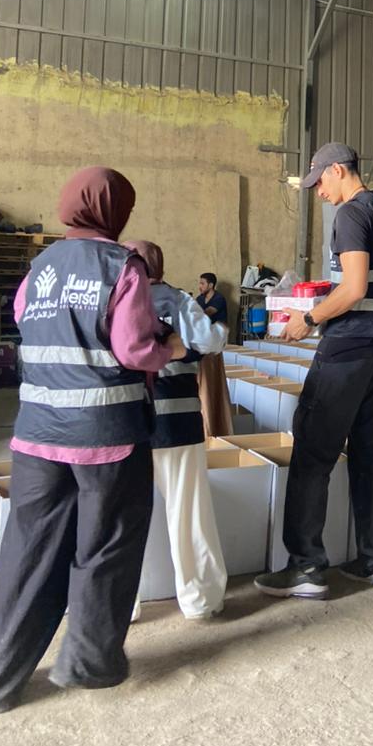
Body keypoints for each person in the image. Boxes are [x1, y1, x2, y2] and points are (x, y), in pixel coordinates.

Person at [0, 167, 185, 716]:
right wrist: (171, 349)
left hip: (37, 436)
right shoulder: (122, 266)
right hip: (107, 437)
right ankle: (88, 662)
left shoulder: (39, 267)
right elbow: (134, 349)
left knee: (27, 554)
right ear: (116, 212)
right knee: (106, 546)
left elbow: (25, 321)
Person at [254, 143, 373, 600]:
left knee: (312, 454)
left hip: (346, 352)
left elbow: (354, 287)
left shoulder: (351, 214)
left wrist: (310, 317)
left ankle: (306, 566)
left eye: (319, 181)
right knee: (369, 454)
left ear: (338, 170)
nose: (318, 192)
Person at [126, 241, 229, 621]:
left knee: (121, 517)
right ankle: (199, 600)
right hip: (177, 422)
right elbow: (211, 341)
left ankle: (122, 604)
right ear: (161, 267)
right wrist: (205, 337)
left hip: (125, 425)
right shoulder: (176, 299)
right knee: (189, 512)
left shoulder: (113, 300)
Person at [195, 272, 230, 437]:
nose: (200, 286)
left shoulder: (218, 299)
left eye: (202, 283)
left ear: (211, 285)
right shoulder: (200, 299)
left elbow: (205, 314)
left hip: (216, 344)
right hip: (204, 344)